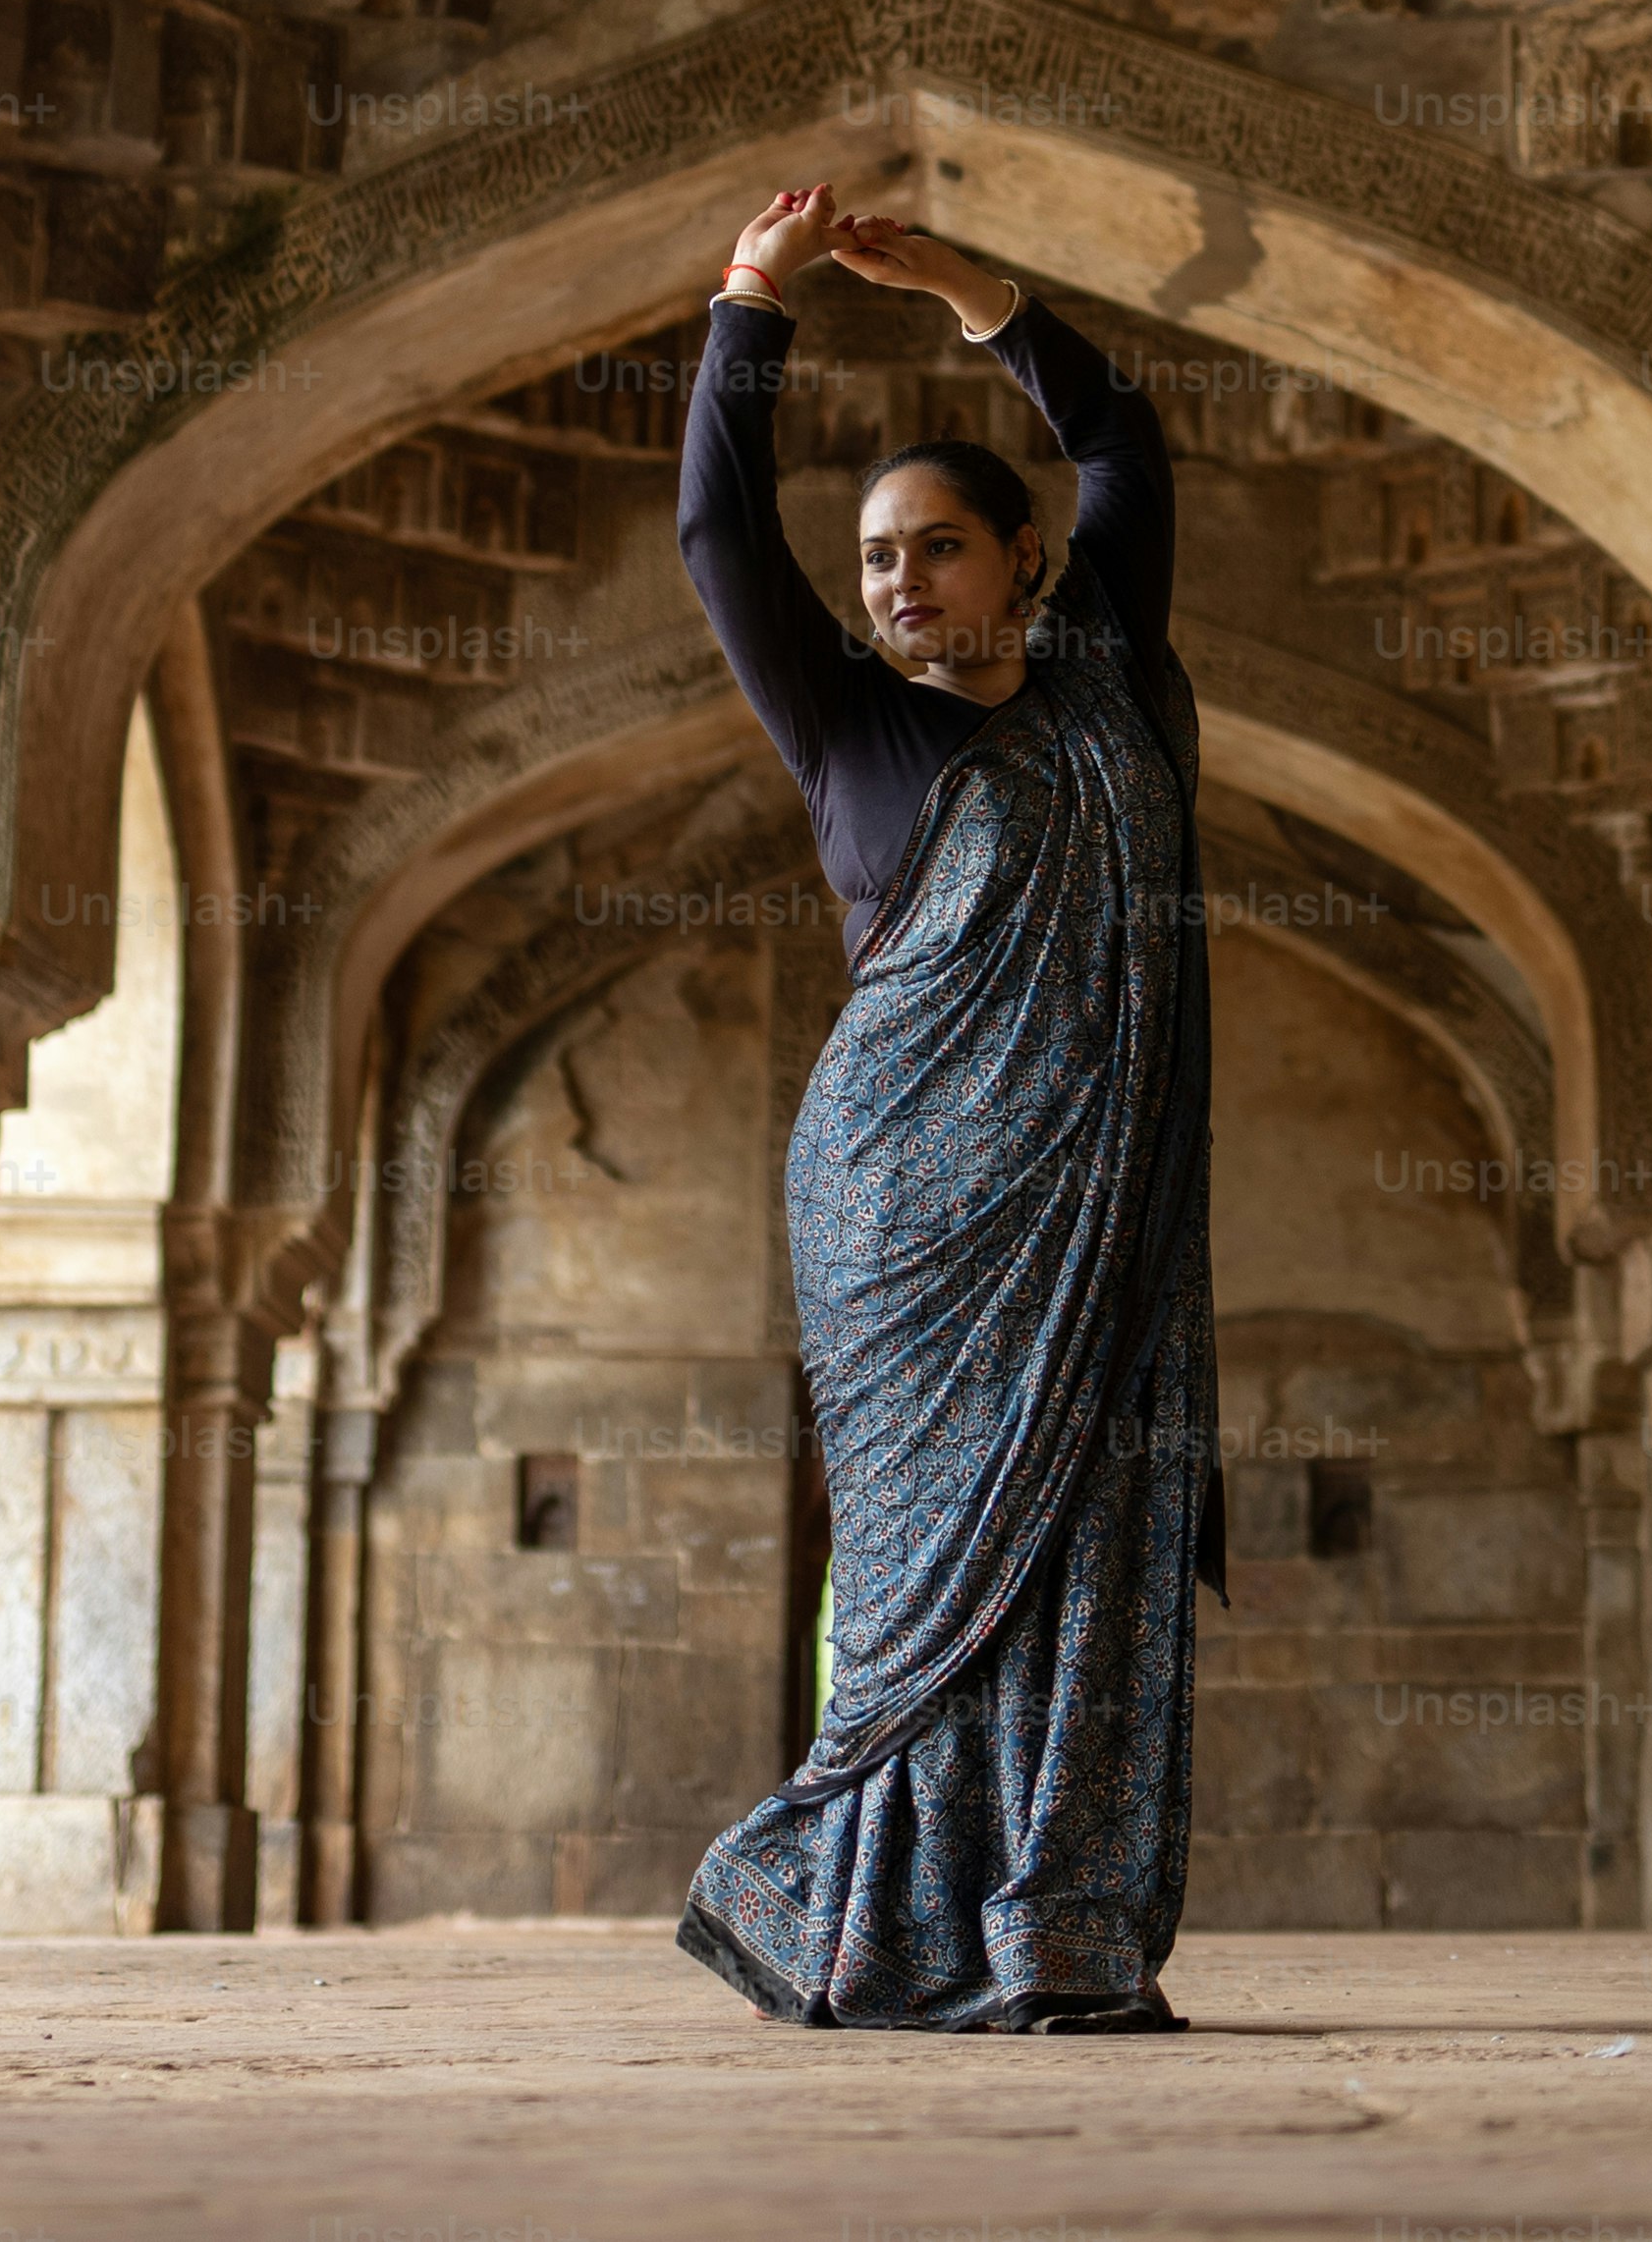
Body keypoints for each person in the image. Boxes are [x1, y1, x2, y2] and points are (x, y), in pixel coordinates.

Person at [666, 186, 1223, 2036]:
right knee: (914, 1581)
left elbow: (1119, 436)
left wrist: (978, 296)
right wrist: (752, 307)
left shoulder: (1112, 679)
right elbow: (715, 530)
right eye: (879, 557)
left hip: (1100, 1215)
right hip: (902, 1219)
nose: (897, 582)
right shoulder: (846, 725)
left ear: (1025, 563)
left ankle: (1054, 1930)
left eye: (937, 550)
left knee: (1090, 1543)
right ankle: (866, 1914)